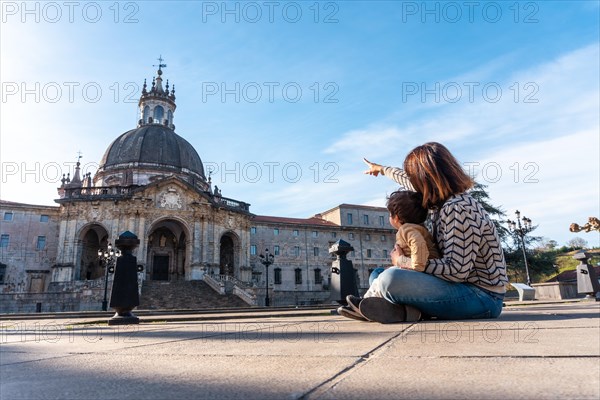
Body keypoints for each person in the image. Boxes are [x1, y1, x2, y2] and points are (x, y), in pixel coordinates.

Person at [340, 142, 507, 323]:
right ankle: (406, 312)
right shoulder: (442, 203)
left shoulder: (457, 208)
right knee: (378, 274)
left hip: (481, 296)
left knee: (390, 278)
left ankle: (374, 306)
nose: (412, 184)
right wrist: (381, 169)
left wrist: (402, 262)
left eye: (415, 178)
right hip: (458, 287)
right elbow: (405, 179)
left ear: (426, 179)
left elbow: (457, 271)